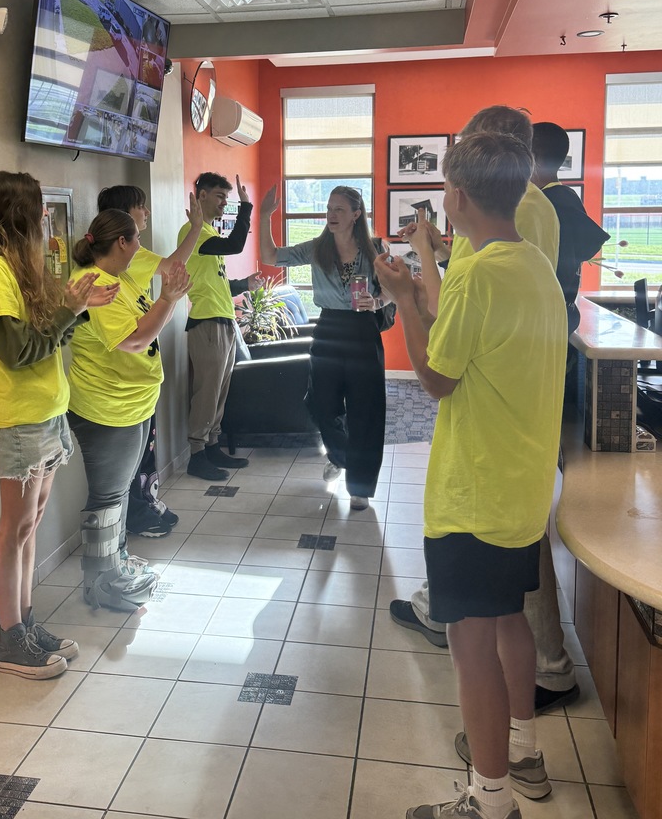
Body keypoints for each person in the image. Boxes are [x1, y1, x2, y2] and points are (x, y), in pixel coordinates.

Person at [376, 132, 567, 819]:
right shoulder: (533, 265)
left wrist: (402, 300)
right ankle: (522, 752)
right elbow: (463, 331)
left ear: (454, 194)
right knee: (507, 617)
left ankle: (489, 802)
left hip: (475, 494)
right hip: (520, 489)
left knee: (469, 644)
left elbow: (435, 378)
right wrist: (425, 278)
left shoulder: (480, 274)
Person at [0, 171, 118, 679]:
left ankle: (24, 624)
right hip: (19, 421)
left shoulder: (15, 264)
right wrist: (69, 310)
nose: (48, 217)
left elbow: (44, 335)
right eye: (41, 208)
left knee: (30, 527)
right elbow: (19, 349)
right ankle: (10, 640)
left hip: (45, 414)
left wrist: (75, 308)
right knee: (15, 528)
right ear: (22, 213)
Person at [67, 209, 190, 610]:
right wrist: (169, 299)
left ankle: (114, 566)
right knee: (107, 499)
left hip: (132, 406)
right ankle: (100, 584)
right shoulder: (92, 285)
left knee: (118, 497)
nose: (140, 245)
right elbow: (135, 340)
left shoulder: (120, 279)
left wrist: (167, 297)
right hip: (106, 410)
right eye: (136, 237)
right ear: (121, 242)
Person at [260, 184, 389, 510]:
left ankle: (359, 487)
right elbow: (270, 256)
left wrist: (376, 300)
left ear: (356, 215)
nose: (331, 214)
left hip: (363, 330)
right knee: (319, 403)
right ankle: (342, 455)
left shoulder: (375, 248)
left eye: (339, 209)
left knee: (366, 412)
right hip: (329, 327)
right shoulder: (318, 248)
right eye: (329, 208)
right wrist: (264, 216)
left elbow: (393, 292)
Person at [96, 184, 203, 537]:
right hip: (118, 394)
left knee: (144, 457)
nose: (147, 213)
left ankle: (146, 505)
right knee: (124, 471)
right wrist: (197, 229)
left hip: (140, 387)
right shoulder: (105, 274)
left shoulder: (129, 262)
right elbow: (137, 337)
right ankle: (136, 518)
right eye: (141, 207)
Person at [178, 172, 262, 482]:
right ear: (200, 196)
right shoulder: (193, 233)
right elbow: (237, 244)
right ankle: (197, 454)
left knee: (220, 392)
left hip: (224, 321)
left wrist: (245, 284)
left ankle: (212, 445)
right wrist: (246, 206)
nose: (223, 202)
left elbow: (219, 284)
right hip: (206, 324)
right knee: (207, 392)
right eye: (219, 196)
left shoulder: (208, 235)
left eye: (226, 198)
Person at [531, 121, 610, 333]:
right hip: (565, 314)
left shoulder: (541, 205)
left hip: (541, 321)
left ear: (534, 158)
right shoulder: (568, 198)